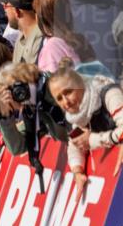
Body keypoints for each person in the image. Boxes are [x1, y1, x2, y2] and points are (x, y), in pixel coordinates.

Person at [47, 61, 123, 191]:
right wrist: (77, 171)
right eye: (59, 98)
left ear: (80, 85)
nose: (66, 102)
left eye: (69, 92)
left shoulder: (108, 93)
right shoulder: (74, 117)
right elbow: (75, 145)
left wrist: (93, 140)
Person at [34, 0, 90, 72]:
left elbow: (54, 83)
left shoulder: (52, 47)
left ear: (43, 18)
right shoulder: (78, 39)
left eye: (36, 12)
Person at [2, 0, 41, 65]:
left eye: (6, 5)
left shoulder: (42, 41)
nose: (4, 10)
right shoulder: (21, 38)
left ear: (17, 11)